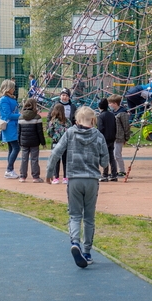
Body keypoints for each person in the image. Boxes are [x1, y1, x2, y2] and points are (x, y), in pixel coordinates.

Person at [46, 106, 108, 268]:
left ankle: (75, 242)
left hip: (73, 178)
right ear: (93, 120)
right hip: (92, 180)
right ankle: (87, 252)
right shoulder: (99, 136)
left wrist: (50, 172)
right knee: (89, 217)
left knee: (74, 215)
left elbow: (56, 152)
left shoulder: (70, 133)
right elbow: (105, 161)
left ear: (76, 120)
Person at [0, 79, 22, 178]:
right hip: (9, 126)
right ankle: (9, 169)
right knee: (16, 147)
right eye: (12, 87)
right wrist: (20, 116)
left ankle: (10, 169)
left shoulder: (11, 98)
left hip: (14, 125)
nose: (14, 89)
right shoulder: (3, 100)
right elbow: (7, 115)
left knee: (12, 148)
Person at [17, 97, 45, 182]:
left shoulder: (21, 117)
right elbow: (40, 132)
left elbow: (19, 132)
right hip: (34, 142)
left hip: (24, 141)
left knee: (24, 159)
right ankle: (35, 177)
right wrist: (43, 142)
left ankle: (22, 176)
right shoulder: (37, 117)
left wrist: (19, 141)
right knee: (34, 159)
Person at [46, 102, 70, 184]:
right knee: (65, 160)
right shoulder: (67, 121)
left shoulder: (53, 121)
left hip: (56, 143)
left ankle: (56, 177)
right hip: (66, 143)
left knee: (56, 160)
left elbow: (49, 132)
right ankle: (65, 177)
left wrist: (53, 136)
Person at [97, 97, 118, 181]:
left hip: (104, 139)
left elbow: (100, 129)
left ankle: (105, 174)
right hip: (112, 138)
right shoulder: (112, 115)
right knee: (111, 157)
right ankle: (114, 174)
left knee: (104, 156)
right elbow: (115, 127)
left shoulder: (101, 116)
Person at [111, 94, 130, 177]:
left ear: (115, 103)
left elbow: (126, 126)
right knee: (113, 154)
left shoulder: (122, 113)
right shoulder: (113, 112)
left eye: (110, 103)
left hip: (119, 137)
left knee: (117, 154)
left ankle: (122, 170)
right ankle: (114, 170)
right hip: (113, 136)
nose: (109, 105)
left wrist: (126, 137)